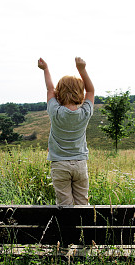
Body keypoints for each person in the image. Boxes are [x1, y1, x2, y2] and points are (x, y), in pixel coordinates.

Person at [38, 57, 95, 205]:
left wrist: (45, 69)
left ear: (59, 92)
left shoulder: (55, 112)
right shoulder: (85, 113)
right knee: (82, 203)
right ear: (80, 93)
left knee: (65, 205)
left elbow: (50, 89)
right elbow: (91, 90)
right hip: (80, 163)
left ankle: (67, 228)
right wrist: (81, 69)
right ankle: (83, 227)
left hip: (59, 165)